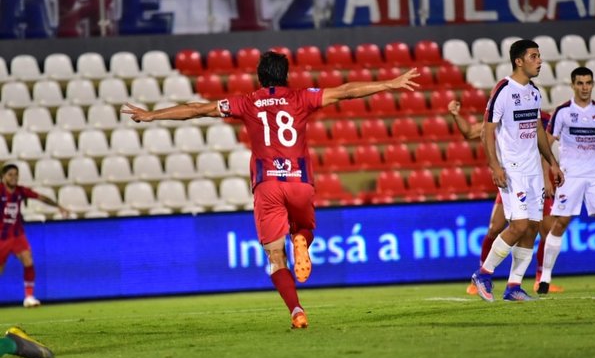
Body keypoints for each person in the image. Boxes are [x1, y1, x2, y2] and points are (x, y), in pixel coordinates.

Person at [122, 51, 420, 328]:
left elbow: (197, 109)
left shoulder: (247, 102)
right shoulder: (303, 97)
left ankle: (297, 311)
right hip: (299, 181)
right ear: (286, 75)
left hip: (268, 186)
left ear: (260, 77)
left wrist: (152, 115)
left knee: (276, 257)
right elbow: (345, 91)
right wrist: (389, 84)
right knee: (304, 229)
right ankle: (301, 239)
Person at [470, 39, 564, 302]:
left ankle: (513, 286)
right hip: (512, 169)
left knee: (533, 226)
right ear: (518, 61)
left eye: (539, 56)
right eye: (534, 56)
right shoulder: (502, 90)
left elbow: (537, 131)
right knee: (519, 225)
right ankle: (484, 273)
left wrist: (552, 164)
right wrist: (494, 165)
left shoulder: (534, 91)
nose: (540, 61)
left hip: (534, 168)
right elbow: (487, 131)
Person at [448, 101, 563, 294]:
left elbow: (546, 147)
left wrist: (547, 177)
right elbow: (469, 132)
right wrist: (455, 115)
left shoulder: (544, 119)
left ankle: (539, 280)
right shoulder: (500, 118)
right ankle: (481, 278)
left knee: (546, 231)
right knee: (496, 228)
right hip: (513, 181)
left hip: (536, 181)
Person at [537, 67, 595, 294]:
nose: (585, 87)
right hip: (570, 175)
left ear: (593, 85)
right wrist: (548, 175)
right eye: (580, 83)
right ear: (572, 85)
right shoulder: (562, 112)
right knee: (560, 223)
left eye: (588, 83)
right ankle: (544, 278)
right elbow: (546, 143)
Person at [1, 163, 69, 308]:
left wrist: (58, 206)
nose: (14, 177)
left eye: (16, 174)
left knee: (28, 260)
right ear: (3, 177)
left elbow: (41, 197)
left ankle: (29, 296)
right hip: (2, 237)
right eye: (10, 174)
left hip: (17, 234)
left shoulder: (20, 191)